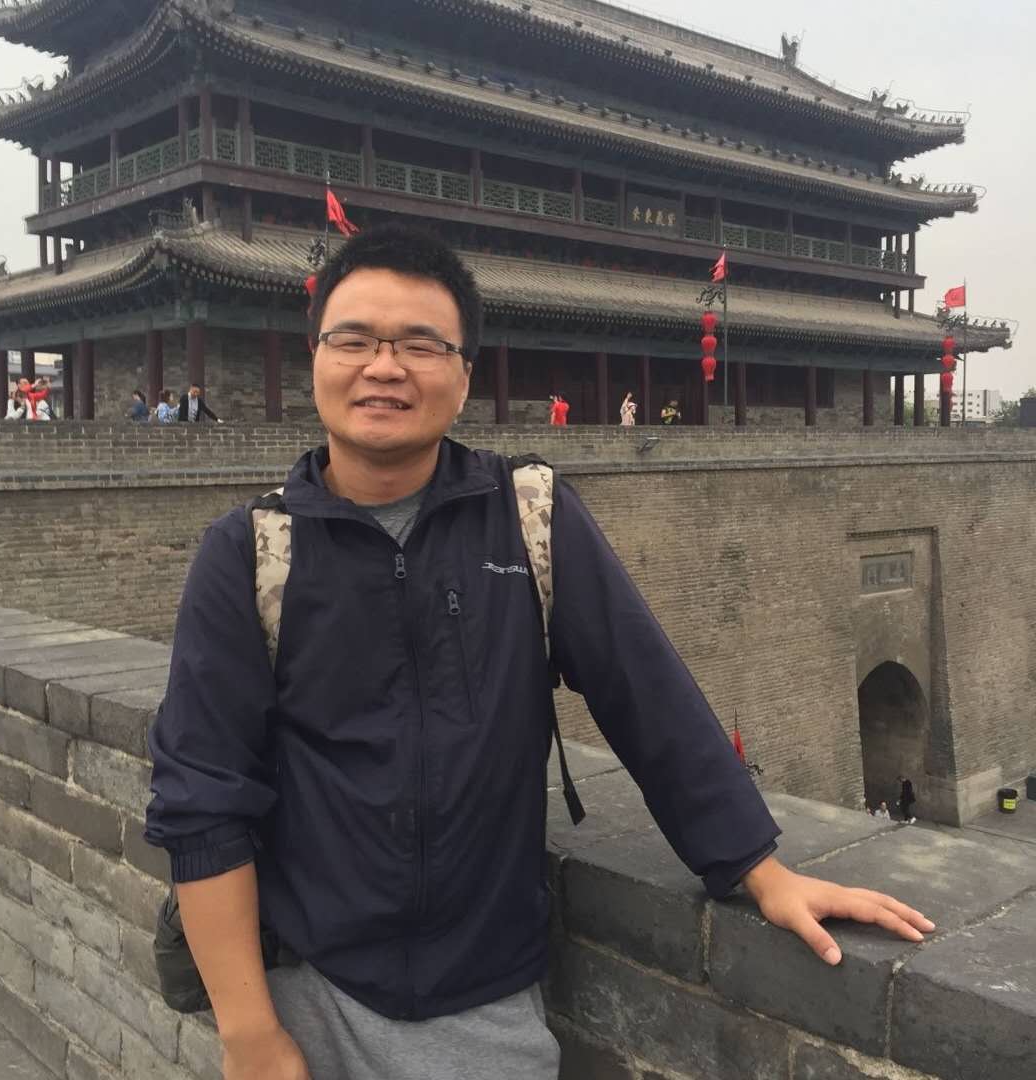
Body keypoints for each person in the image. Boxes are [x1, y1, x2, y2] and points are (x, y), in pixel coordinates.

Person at [145, 225, 934, 1080]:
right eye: (355, 340)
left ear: (464, 376)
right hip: (306, 995)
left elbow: (645, 694)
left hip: (486, 1008)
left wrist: (757, 868)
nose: (384, 367)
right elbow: (202, 798)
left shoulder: (529, 518)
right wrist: (250, 1034)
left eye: (420, 345)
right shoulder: (249, 554)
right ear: (317, 359)